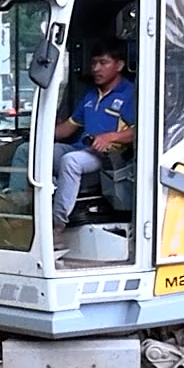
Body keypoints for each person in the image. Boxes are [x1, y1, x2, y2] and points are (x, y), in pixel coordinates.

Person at [48, 40, 136, 234]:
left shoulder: (130, 94)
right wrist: (40, 131)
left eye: (103, 63)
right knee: (34, 152)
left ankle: (56, 224)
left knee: (70, 161)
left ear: (119, 65)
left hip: (108, 158)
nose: (96, 68)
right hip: (83, 148)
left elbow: (138, 132)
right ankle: (17, 202)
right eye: (94, 63)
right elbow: (67, 129)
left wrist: (110, 137)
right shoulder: (90, 96)